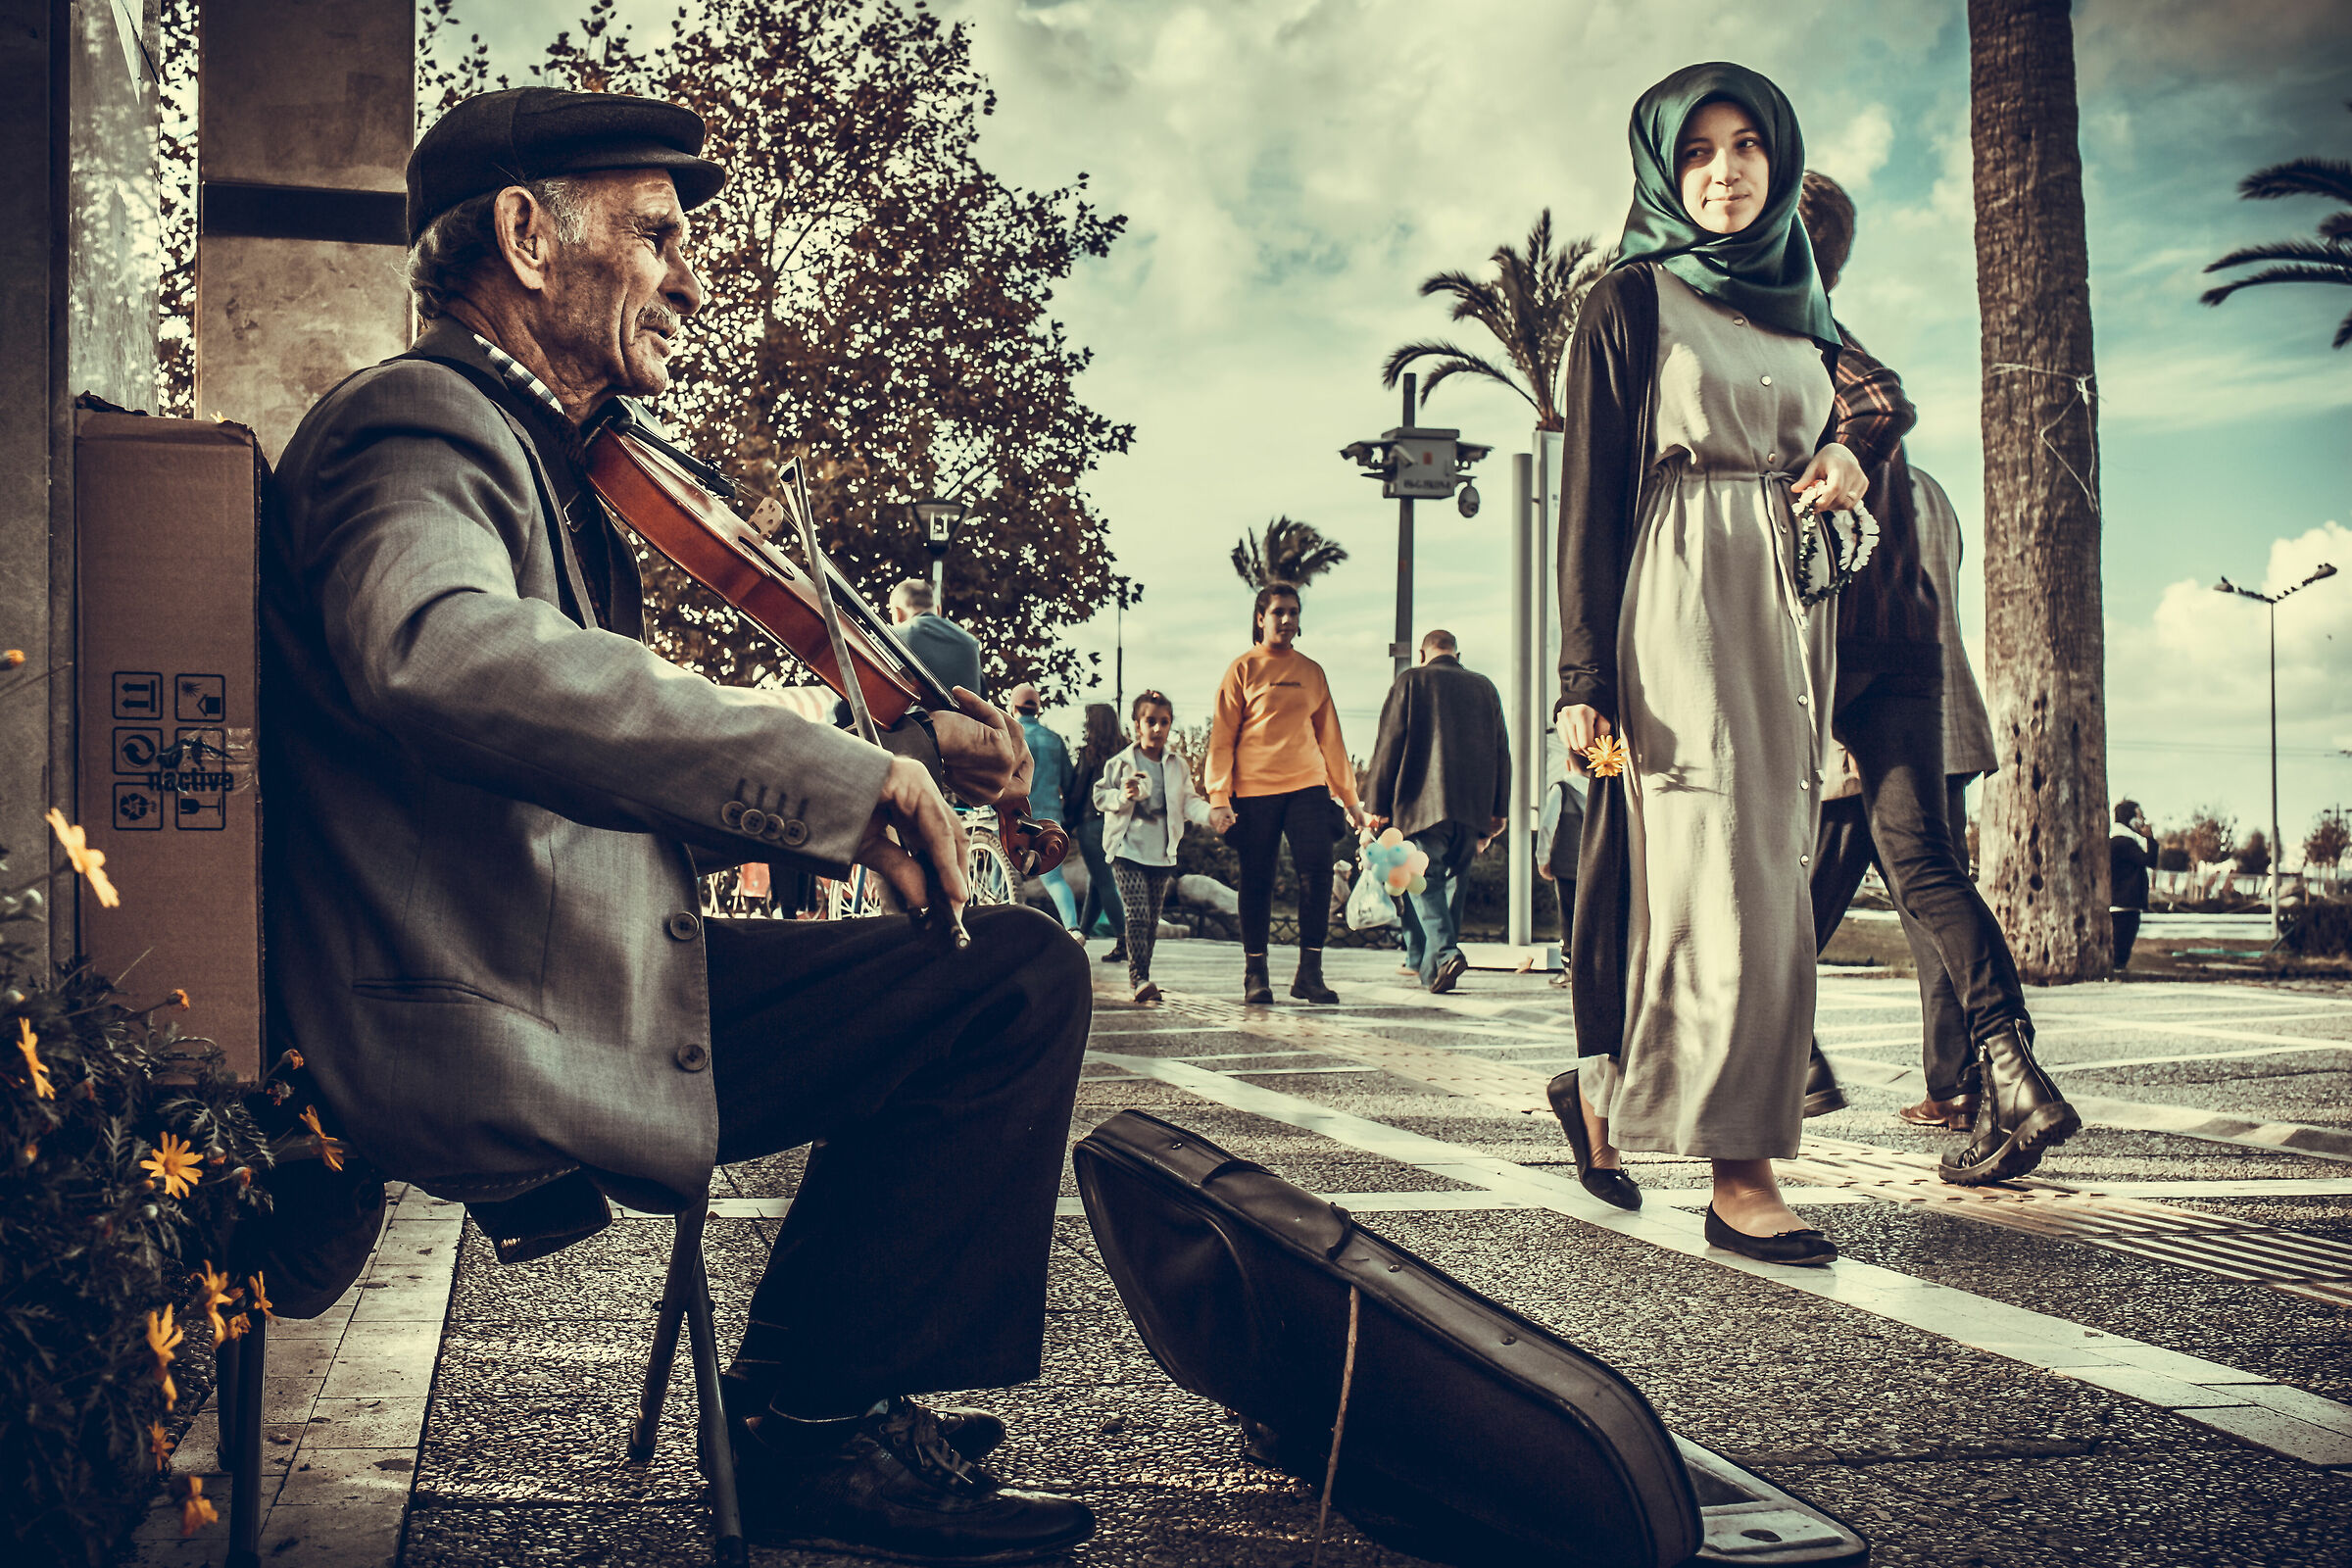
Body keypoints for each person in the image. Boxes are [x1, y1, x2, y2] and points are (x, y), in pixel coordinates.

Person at [262, 87, 1092, 1562]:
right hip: (489, 1005)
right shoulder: (415, 423)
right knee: (1008, 983)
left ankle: (818, 1407)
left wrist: (876, 757)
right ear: (526, 234)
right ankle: (814, 1427)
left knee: (991, 966)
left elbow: (563, 763)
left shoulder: (539, 460)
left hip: (555, 960)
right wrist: (828, 777)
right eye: (655, 233)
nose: (690, 277)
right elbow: (439, 654)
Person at [1552, 64, 1866, 1264]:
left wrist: (1843, 464)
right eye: (1698, 153)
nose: (1725, 173)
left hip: (1788, 603)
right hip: (1677, 591)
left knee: (1769, 873)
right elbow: (1588, 497)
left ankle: (1604, 1085)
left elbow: (1825, 438)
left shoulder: (1801, 306)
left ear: (1778, 161)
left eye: (1746, 148)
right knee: (1721, 872)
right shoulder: (1629, 299)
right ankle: (1742, 1173)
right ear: (1662, 169)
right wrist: (1583, 675)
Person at [1791, 170, 2080, 1171]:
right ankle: (2012, 1072)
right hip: (1905, 667)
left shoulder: (1794, 339)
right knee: (1923, 869)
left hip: (1830, 665)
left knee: (1762, 881)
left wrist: (1843, 452)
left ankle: (1793, 1060)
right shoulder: (1818, 339)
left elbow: (1877, 403)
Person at [1206, 584, 1364, 1004]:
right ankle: (1255, 972)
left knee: (1318, 870)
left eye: (1293, 612)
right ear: (1261, 617)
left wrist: (1350, 800)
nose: (1287, 620)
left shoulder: (1312, 672)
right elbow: (1222, 737)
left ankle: (1309, 974)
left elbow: (1331, 737)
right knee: (1257, 878)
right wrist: (1219, 795)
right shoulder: (1243, 669)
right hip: (1254, 789)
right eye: (1278, 612)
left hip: (1308, 786)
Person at [1365, 629, 1511, 993]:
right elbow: (1501, 751)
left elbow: (1389, 745)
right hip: (1473, 808)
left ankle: (1445, 953)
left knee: (1421, 882)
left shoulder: (1411, 681)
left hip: (1421, 805)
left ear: (1422, 653)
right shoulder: (1485, 687)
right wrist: (1499, 810)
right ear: (1457, 653)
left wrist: (1376, 807)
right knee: (1451, 890)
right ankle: (1432, 973)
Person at [1095, 691, 1212, 1003]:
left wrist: (1212, 816)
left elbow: (1189, 802)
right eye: (1151, 721)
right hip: (1126, 849)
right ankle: (1139, 979)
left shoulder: (1177, 766)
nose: (1158, 729)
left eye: (1164, 722)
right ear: (1137, 725)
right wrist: (1123, 795)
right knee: (1137, 911)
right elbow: (1099, 797)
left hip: (1162, 852)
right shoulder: (1120, 764)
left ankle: (1143, 973)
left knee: (1151, 920)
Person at [1007, 683, 1081, 933]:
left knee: (1004, 876)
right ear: (1038, 709)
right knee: (1054, 879)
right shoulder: (1054, 740)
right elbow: (1070, 783)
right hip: (1050, 818)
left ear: (1013, 707)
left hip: (1015, 816)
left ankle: (1006, 931)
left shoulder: (1011, 736)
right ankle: (1073, 929)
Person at [1070, 702, 1130, 958]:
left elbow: (1078, 792)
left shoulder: (1089, 753)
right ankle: (1080, 937)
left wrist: (1066, 822)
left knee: (1105, 883)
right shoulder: (1127, 751)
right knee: (1097, 882)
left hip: (1091, 824)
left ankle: (1127, 940)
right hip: (1118, 822)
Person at [888, 576, 984, 699]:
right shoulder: (971, 642)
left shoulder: (887, 637)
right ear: (938, 609)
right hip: (963, 717)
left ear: (897, 613)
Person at [1537, 768, 1585, 990]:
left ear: (1567, 763)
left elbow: (1547, 826)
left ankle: (1570, 967)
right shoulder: (1602, 789)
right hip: (1593, 866)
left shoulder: (1561, 790)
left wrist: (1542, 858)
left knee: (1568, 916)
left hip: (1566, 865)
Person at [2111, 799, 2154, 970]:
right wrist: (2150, 839)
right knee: (2121, 946)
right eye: (2140, 817)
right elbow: (2150, 860)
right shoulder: (2124, 842)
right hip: (2124, 904)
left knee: (2121, 944)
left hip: (2121, 903)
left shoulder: (2118, 840)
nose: (2143, 821)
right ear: (2131, 820)